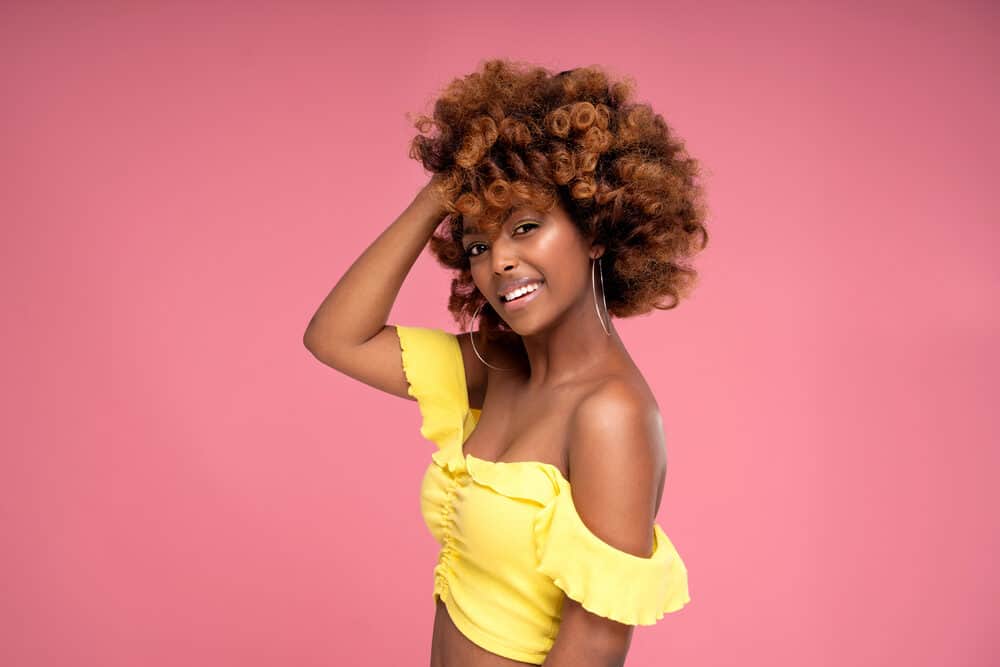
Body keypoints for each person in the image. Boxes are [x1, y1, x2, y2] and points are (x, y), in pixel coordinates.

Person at [304, 58, 708, 667]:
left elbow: (594, 646)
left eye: (525, 226)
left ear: (596, 231)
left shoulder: (610, 415)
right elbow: (338, 338)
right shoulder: (495, 367)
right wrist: (436, 196)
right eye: (477, 244)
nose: (500, 262)